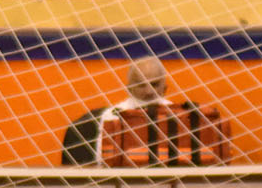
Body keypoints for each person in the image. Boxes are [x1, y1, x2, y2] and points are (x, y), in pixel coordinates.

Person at [61, 56, 228, 166]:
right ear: (129, 88)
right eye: (141, 85)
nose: (149, 91)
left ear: (165, 87)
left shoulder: (183, 117)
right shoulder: (111, 117)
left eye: (154, 84)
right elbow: (100, 165)